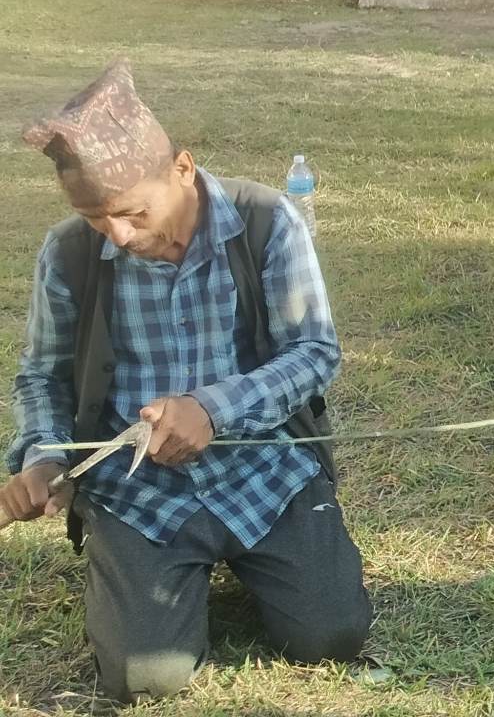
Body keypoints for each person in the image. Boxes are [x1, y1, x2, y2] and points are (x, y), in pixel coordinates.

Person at [3, 61, 370, 701]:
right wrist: (44, 459)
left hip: (265, 471)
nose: (116, 234)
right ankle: (133, 568)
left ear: (182, 169)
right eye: (95, 218)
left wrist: (212, 410)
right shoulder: (67, 254)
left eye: (131, 212)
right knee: (146, 677)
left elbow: (314, 352)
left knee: (332, 635)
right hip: (136, 489)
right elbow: (43, 375)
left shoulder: (266, 221)